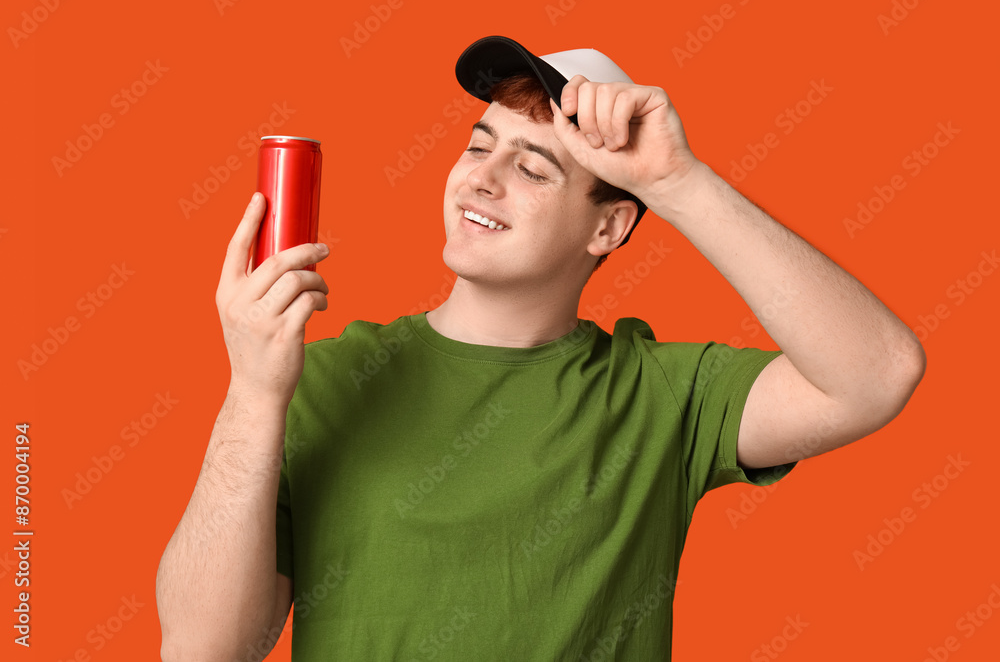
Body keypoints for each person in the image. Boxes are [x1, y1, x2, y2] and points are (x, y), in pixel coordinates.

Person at [155, 36, 925, 661]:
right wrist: (252, 395)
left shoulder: (660, 396)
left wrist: (677, 181)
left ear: (609, 227)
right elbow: (200, 649)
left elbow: (877, 373)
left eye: (531, 167)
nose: (481, 180)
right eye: (478, 146)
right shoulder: (316, 379)